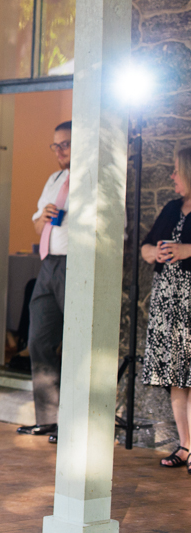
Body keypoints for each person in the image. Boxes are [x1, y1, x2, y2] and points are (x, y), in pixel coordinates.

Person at [17, 121, 72, 444]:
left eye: (65, 144)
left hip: (74, 262)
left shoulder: (92, 179)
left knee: (75, 344)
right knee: (38, 340)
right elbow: (38, 226)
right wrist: (43, 217)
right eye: (55, 145)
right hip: (48, 263)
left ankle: (72, 420)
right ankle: (48, 420)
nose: (59, 151)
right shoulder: (54, 179)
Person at [140, 147, 191, 470]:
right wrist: (153, 254)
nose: (172, 176)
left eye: (176, 170)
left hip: (189, 298)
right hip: (166, 299)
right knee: (175, 375)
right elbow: (146, 246)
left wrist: (187, 249)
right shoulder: (173, 207)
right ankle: (184, 446)